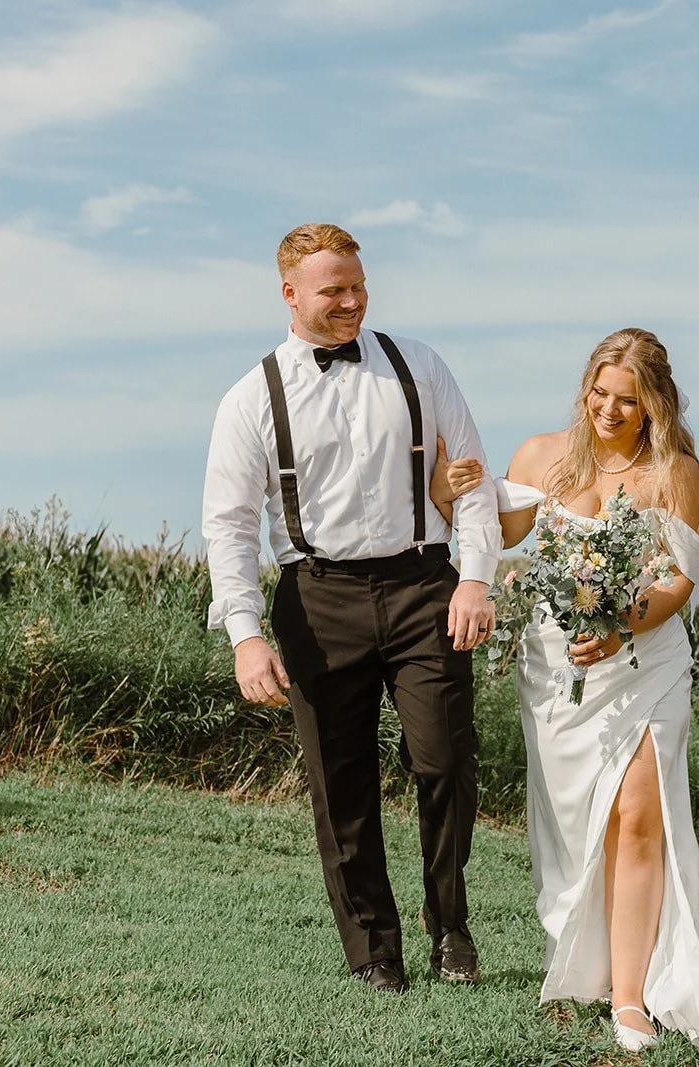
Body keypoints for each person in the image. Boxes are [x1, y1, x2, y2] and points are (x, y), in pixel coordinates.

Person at [203, 223, 500, 994]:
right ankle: (374, 951)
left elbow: (471, 476)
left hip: (424, 585)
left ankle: (449, 923)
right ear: (290, 294)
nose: (352, 302)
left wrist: (476, 578)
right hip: (317, 597)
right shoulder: (251, 398)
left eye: (358, 286)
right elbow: (229, 524)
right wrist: (244, 635)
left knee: (444, 759)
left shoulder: (419, 365)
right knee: (341, 784)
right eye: (333, 290)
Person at [432, 328, 699, 1052]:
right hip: (557, 669)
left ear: (654, 406)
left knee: (638, 818)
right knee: (575, 828)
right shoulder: (542, 456)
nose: (607, 409)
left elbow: (680, 578)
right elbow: (496, 532)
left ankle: (631, 997)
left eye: (626, 400)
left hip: (645, 662)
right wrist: (448, 494)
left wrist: (619, 627)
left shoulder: (674, 473)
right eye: (599, 393)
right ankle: (584, 969)